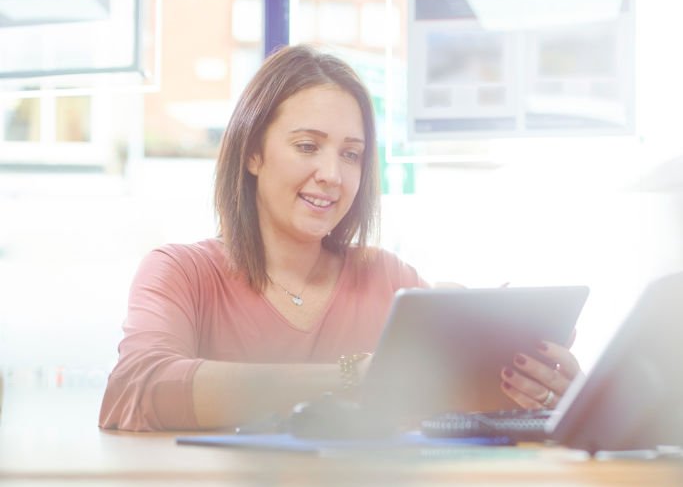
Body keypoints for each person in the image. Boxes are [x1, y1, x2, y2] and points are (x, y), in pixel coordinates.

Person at [99, 44, 580, 432]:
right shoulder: (181, 273)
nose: (332, 174)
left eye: (351, 154)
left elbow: (451, 411)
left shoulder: (391, 281)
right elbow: (138, 389)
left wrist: (542, 395)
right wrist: (354, 380)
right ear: (252, 153)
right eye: (307, 146)